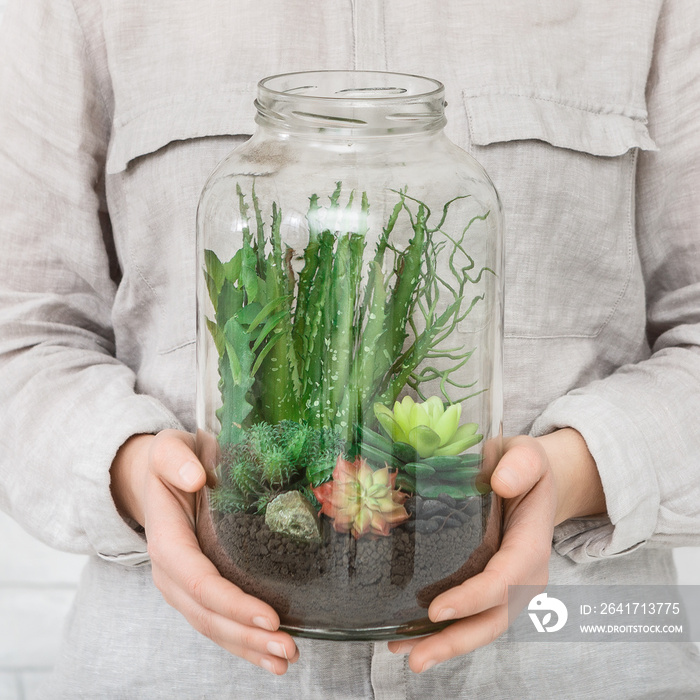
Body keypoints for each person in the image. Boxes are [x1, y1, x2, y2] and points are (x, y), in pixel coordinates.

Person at [1, 0, 699, 698]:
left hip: (572, 643)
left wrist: (573, 473)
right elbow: (25, 335)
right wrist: (136, 474)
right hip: (177, 663)